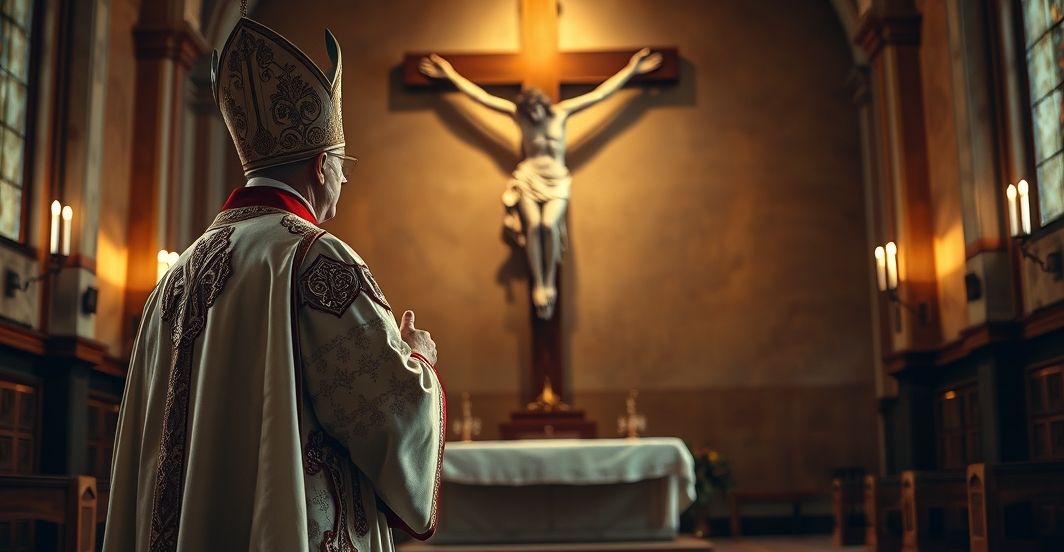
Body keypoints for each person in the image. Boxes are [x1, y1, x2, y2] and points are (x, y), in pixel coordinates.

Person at [103, 16, 446, 552]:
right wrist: (417, 359)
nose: (345, 179)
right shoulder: (312, 257)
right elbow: (386, 413)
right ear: (319, 165)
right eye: (342, 164)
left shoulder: (176, 276)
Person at [419, 48, 662, 319]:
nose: (533, 116)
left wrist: (632, 70)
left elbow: (600, 95)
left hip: (557, 180)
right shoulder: (519, 116)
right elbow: (481, 97)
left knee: (549, 225)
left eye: (535, 110)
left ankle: (550, 281)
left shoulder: (561, 113)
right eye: (528, 112)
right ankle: (541, 284)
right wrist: (449, 74)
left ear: (542, 105)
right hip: (529, 179)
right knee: (534, 226)